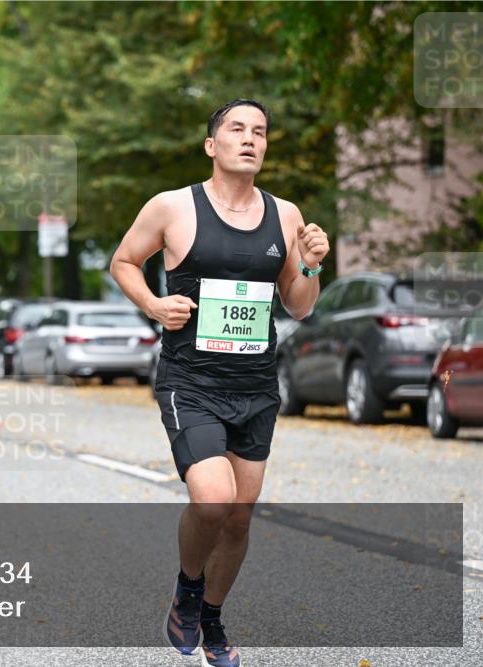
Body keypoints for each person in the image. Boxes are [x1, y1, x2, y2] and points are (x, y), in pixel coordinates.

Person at [110, 99, 329, 667]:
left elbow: (298, 306)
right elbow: (124, 261)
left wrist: (309, 264)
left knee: (239, 515)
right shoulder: (173, 207)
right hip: (191, 381)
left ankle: (210, 615)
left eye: (260, 132)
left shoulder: (285, 215)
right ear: (213, 145)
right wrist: (155, 305)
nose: (250, 139)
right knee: (213, 500)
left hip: (255, 383)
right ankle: (188, 586)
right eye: (237, 130)